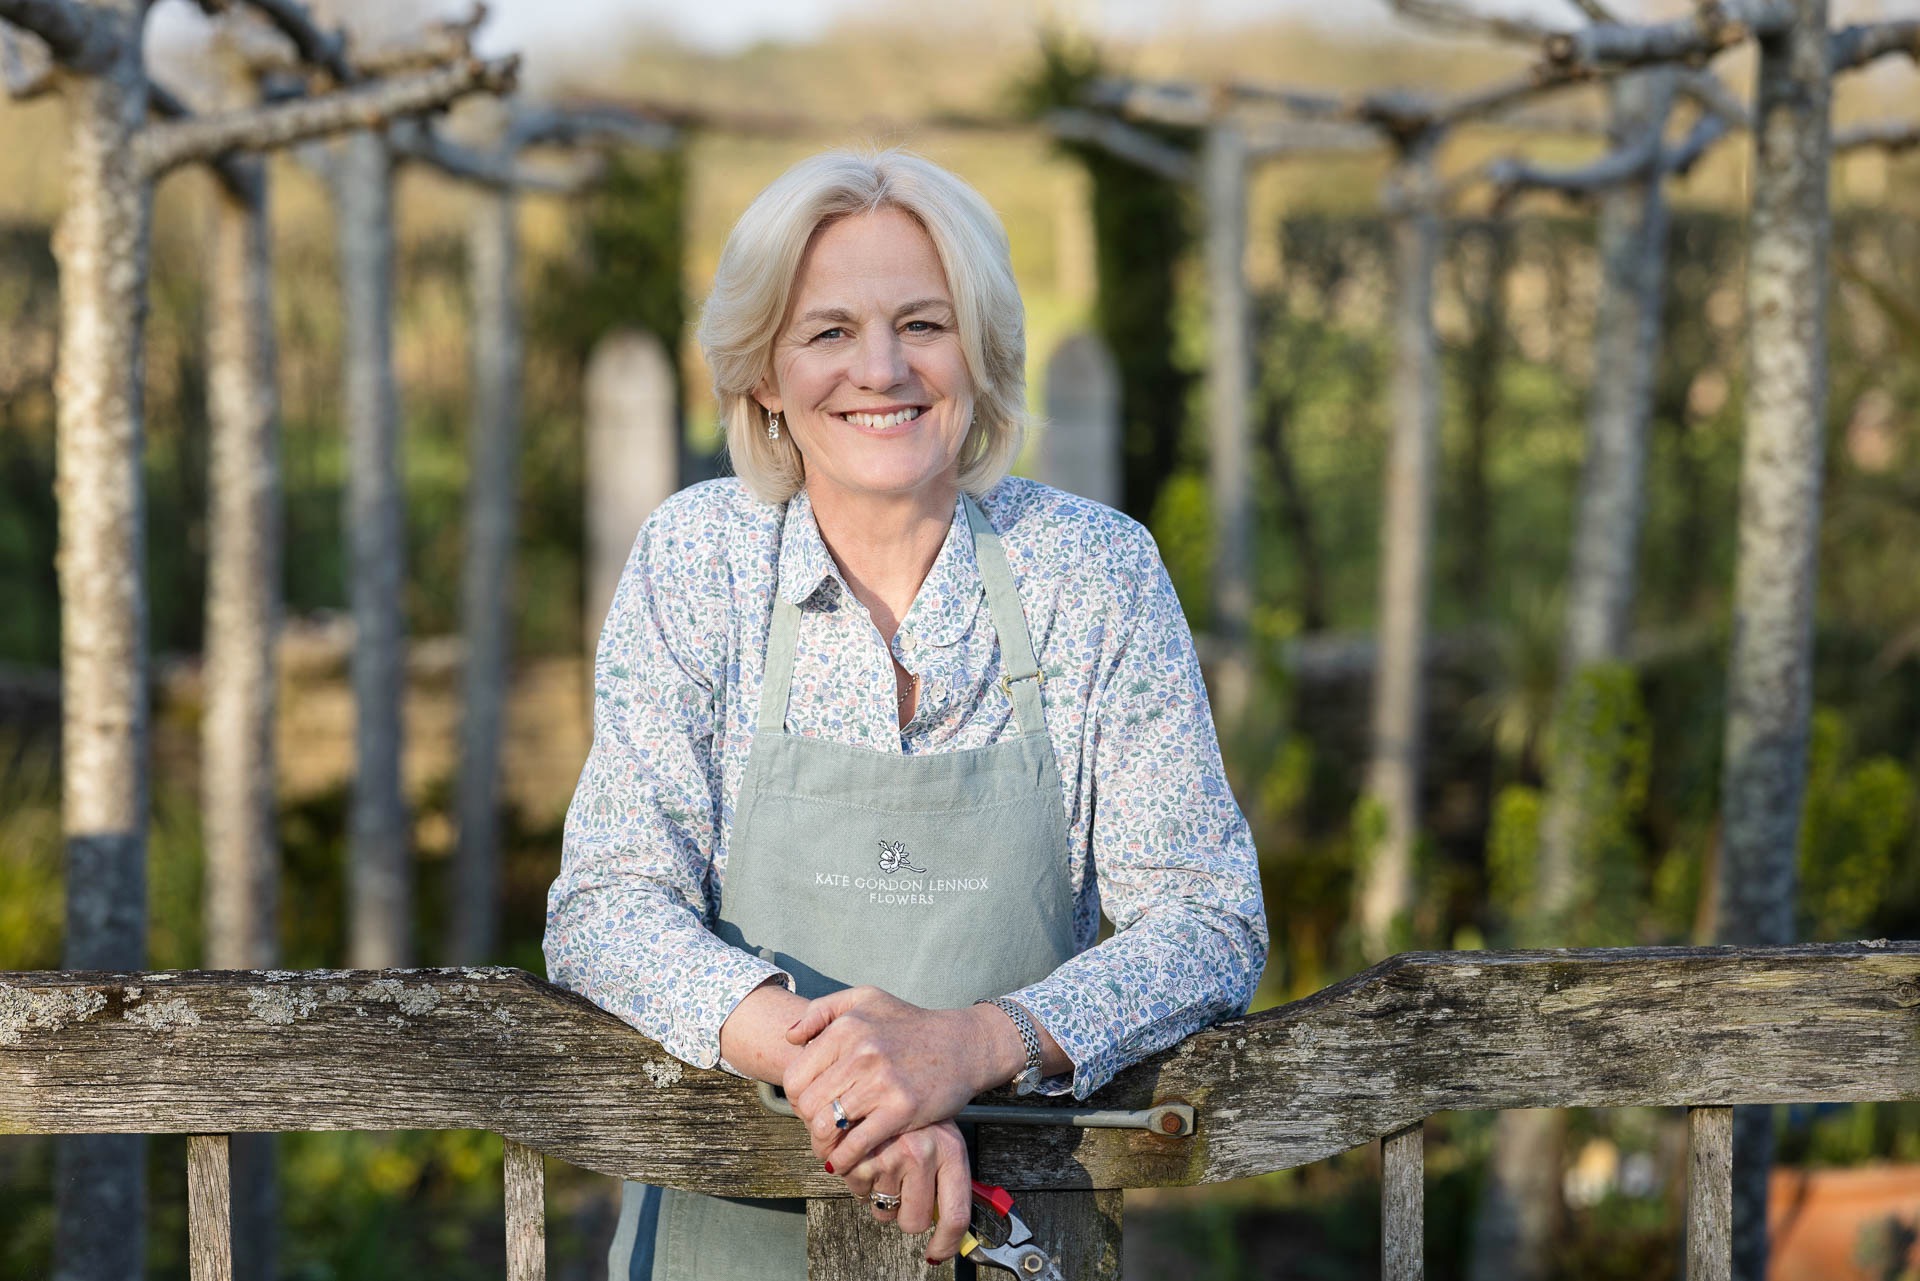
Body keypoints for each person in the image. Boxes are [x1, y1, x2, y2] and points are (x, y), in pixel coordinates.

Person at [544, 148, 1267, 1281]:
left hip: (1017, 1236)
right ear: (765, 373)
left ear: (980, 353)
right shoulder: (699, 559)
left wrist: (968, 1046)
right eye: (829, 331)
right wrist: (847, 1081)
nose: (880, 369)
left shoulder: (1093, 571)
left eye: (924, 324)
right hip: (726, 1236)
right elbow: (605, 904)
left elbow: (1209, 917)